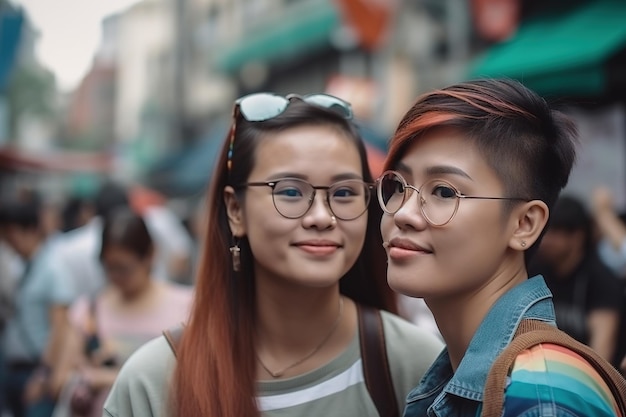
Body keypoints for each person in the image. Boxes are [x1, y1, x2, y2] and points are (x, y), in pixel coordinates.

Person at [104, 92, 443, 416]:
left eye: (343, 192)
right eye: (291, 192)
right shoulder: (152, 384)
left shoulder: (415, 365)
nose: (322, 217)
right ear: (235, 210)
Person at [376, 79, 622, 416]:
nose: (402, 213)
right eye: (399, 186)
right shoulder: (467, 372)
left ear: (525, 224)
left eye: (444, 192)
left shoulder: (541, 395)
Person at [49, 207, 193, 417]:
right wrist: (82, 372)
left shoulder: (187, 306)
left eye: (124, 268)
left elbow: (196, 378)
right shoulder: (89, 310)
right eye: (109, 268)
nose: (116, 277)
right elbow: (58, 383)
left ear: (149, 255)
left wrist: (108, 378)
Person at [1, 198, 74, 417]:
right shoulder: (21, 266)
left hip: (36, 371)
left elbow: (60, 328)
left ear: (31, 230)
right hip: (15, 368)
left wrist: (43, 376)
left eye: (11, 235)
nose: (8, 243)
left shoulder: (52, 268)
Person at [529, 195, 622, 363]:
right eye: (545, 232)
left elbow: (601, 351)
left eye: (555, 232)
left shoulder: (602, 280)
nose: (545, 240)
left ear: (577, 237)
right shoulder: (536, 269)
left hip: (583, 376)